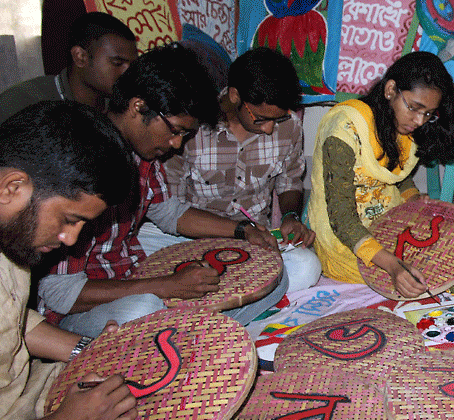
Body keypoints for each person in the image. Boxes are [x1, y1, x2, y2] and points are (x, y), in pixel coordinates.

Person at [38, 44, 286, 338]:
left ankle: (184, 332)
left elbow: (169, 213)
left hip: (132, 274)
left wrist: (242, 230)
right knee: (142, 309)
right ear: (138, 106)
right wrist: (166, 285)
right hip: (79, 313)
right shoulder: (84, 159)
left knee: (273, 275)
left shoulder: (143, 154)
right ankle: (184, 330)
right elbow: (59, 294)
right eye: (176, 130)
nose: (177, 144)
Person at [0, 102, 137, 420]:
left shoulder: (11, 235)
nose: (71, 239)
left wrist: (87, 351)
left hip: (28, 398)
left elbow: (14, 322)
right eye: (69, 219)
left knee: (140, 404)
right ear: (12, 187)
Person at [150, 47, 320, 293]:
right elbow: (171, 208)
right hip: (192, 240)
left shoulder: (289, 126)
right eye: (261, 118)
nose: (271, 129)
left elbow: (290, 182)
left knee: (308, 268)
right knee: (154, 273)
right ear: (234, 96)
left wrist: (289, 217)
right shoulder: (191, 127)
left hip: (256, 242)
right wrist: (236, 233)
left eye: (277, 119)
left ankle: (234, 293)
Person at [307, 51, 454, 297]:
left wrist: (412, 198)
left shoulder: (399, 122)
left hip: (391, 224)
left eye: (428, 114)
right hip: (346, 240)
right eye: (415, 108)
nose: (419, 120)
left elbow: (397, 173)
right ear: (390, 90)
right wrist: (393, 265)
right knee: (419, 271)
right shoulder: (343, 129)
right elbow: (341, 218)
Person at [0, 12, 137, 124]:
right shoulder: (23, 105)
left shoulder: (127, 106)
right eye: (118, 63)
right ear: (80, 57)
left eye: (132, 65)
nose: (128, 73)